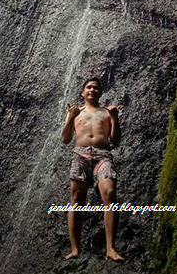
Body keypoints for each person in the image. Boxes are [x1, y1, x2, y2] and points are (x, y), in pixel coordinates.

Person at [61, 77, 124, 262]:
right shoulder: (75, 112)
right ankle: (75, 248)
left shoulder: (107, 112)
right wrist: (70, 117)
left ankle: (110, 248)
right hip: (80, 155)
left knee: (110, 194)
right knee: (76, 200)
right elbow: (65, 139)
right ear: (83, 92)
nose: (92, 90)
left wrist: (114, 117)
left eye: (96, 88)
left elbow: (116, 141)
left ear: (100, 92)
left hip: (102, 155)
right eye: (88, 87)